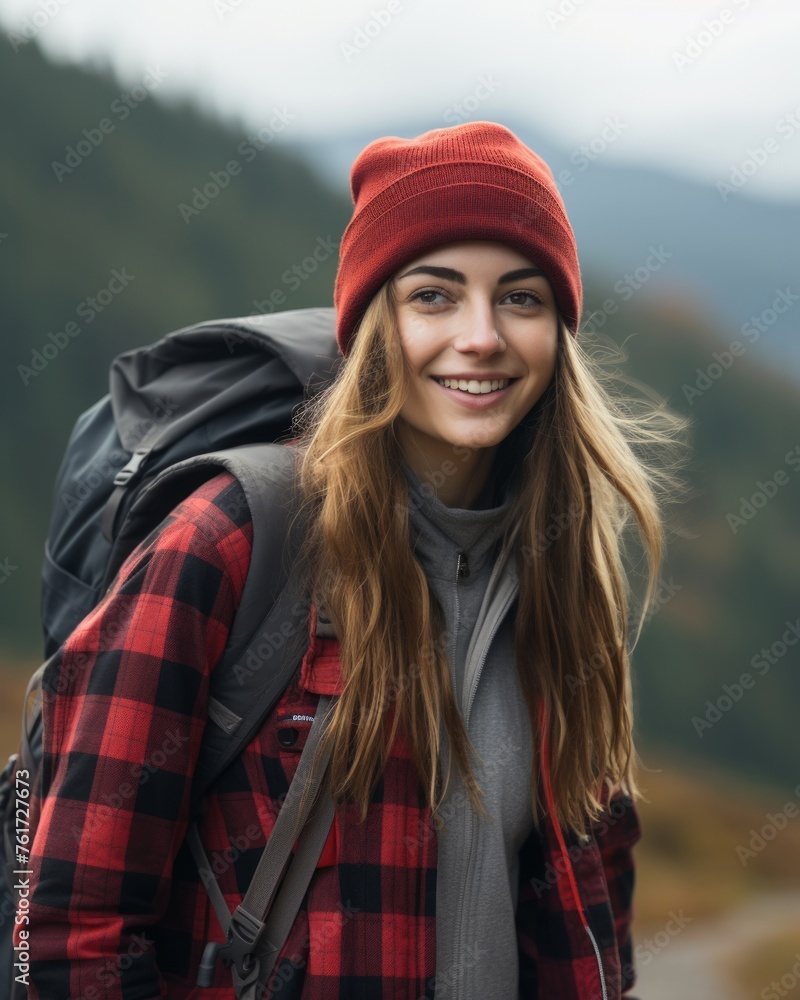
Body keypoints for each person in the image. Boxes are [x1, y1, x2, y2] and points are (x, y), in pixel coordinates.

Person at [19, 121, 686, 999]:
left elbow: (598, 921)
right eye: (435, 297)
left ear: (558, 331)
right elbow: (71, 930)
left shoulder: (564, 581)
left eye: (521, 297)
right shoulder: (232, 541)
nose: (482, 336)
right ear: (375, 323)